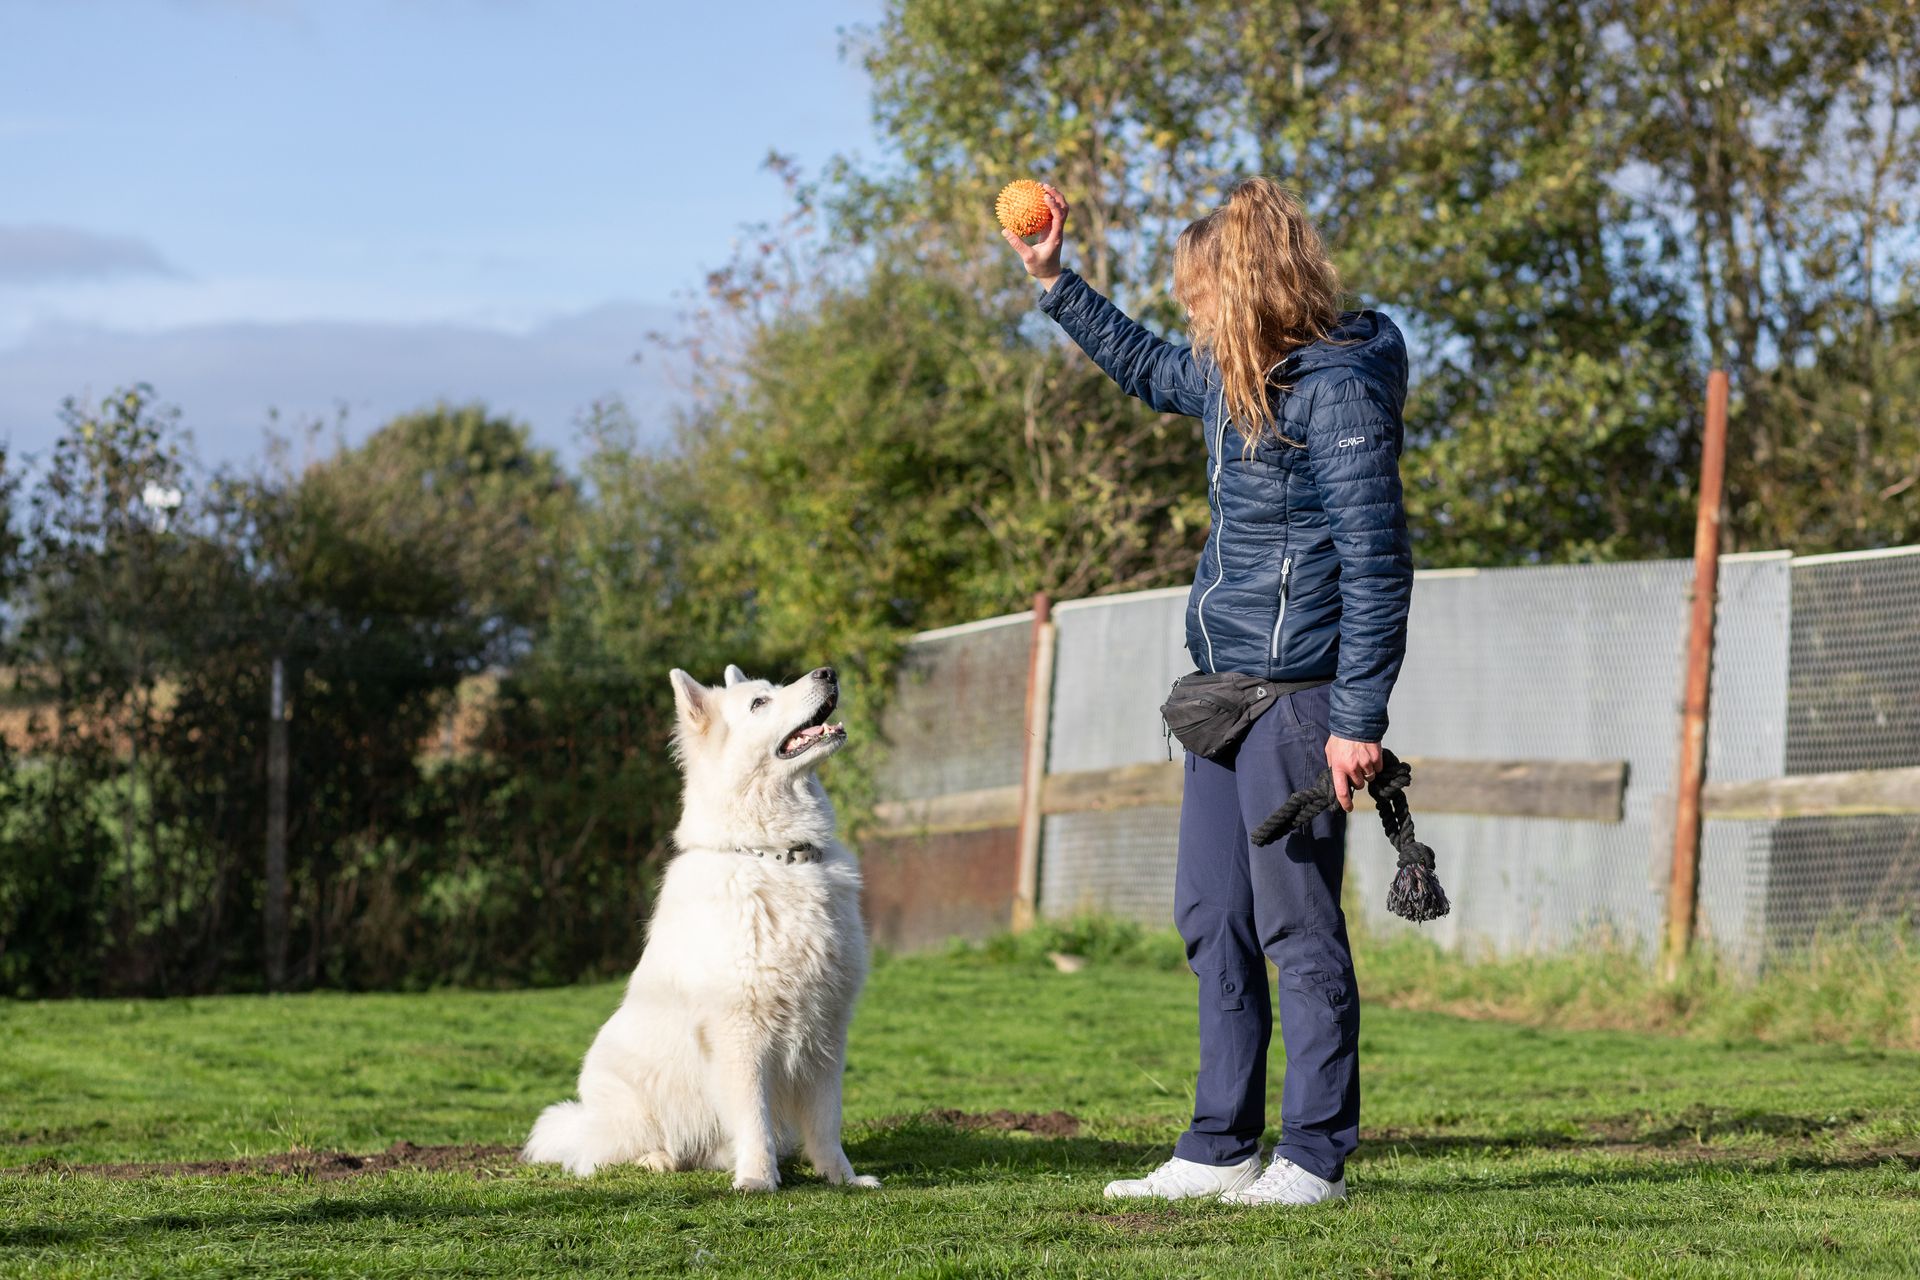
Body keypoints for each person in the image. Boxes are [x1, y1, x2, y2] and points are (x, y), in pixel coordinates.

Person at [1001, 179, 1413, 1206]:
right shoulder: (1238, 377)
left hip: (1300, 700)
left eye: (1197, 295)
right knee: (1210, 916)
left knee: (1297, 932)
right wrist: (1055, 282)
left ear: (1249, 286)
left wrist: (1357, 720)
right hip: (1220, 694)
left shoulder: (1340, 388)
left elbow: (1378, 567)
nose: (1187, 313)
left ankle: (1314, 1156)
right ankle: (1218, 1143)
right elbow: (1144, 366)